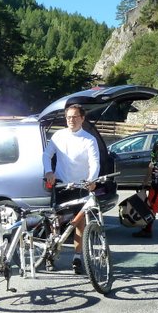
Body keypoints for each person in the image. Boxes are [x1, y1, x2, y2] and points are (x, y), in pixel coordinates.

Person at [43, 104, 101, 274]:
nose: (71, 120)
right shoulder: (58, 136)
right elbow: (47, 155)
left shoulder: (89, 139)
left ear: (82, 118)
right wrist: (48, 171)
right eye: (68, 117)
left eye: (75, 117)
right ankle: (51, 254)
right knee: (56, 221)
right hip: (61, 184)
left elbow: (94, 162)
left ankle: (77, 258)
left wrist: (92, 180)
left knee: (79, 223)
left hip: (81, 185)